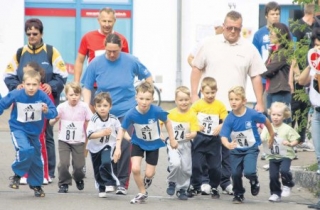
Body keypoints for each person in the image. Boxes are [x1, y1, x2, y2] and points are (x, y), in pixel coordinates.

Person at [190, 10, 267, 195]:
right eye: (230, 27)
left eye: (237, 29)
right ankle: (207, 182)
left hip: (235, 106)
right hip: (209, 106)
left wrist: (260, 102)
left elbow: (256, 75)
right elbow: (196, 68)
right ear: (223, 26)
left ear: (241, 28)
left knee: (230, 147)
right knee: (208, 145)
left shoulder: (248, 48)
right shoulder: (209, 43)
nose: (233, 31)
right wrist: (194, 95)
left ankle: (226, 182)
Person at [81, 33, 152, 193]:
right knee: (107, 145)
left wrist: (146, 98)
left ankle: (122, 182)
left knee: (125, 144)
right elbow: (86, 86)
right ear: (104, 48)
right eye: (108, 51)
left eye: (115, 51)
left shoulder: (131, 60)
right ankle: (108, 179)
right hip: (104, 111)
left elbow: (148, 77)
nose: (112, 54)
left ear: (121, 48)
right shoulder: (95, 63)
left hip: (127, 110)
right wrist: (87, 107)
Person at [3, 18, 68, 181]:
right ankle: (26, 171)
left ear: (41, 34)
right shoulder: (20, 53)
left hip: (44, 98)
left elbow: (62, 75)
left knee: (45, 135)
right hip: (24, 100)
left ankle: (49, 171)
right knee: (25, 135)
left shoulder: (51, 51)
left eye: (35, 33)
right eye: (29, 34)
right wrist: (17, 86)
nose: (32, 36)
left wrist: (50, 86)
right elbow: (8, 75)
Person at [113, 81, 178, 204]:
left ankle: (148, 178)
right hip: (138, 143)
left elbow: (168, 122)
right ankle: (142, 192)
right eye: (141, 98)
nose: (144, 102)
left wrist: (172, 138)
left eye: (147, 99)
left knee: (149, 173)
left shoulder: (157, 110)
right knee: (136, 169)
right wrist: (118, 148)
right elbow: (122, 129)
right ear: (136, 97)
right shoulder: (131, 113)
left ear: (152, 99)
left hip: (153, 144)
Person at [0, 70, 57, 197]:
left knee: (36, 159)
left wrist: (47, 111)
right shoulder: (16, 94)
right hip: (18, 129)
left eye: (34, 84)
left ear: (39, 85)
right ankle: (17, 175)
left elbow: (54, 112)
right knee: (25, 149)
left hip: (34, 133)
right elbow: (2, 104)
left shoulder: (42, 96)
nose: (31, 88)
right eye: (29, 84)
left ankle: (36, 185)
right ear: (23, 84)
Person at [220, 86, 274, 204]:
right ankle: (238, 194)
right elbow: (223, 135)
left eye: (237, 99)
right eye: (231, 99)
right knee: (235, 173)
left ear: (244, 101)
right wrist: (227, 144)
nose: (233, 102)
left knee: (249, 172)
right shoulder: (229, 118)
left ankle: (254, 180)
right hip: (236, 150)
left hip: (251, 148)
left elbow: (266, 121)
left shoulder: (251, 114)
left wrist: (271, 134)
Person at [188, 77, 227, 199]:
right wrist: (196, 125)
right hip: (200, 138)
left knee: (215, 167)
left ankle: (214, 186)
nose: (210, 95)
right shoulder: (197, 104)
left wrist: (221, 125)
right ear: (202, 91)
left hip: (214, 140)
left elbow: (226, 119)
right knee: (196, 164)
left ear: (217, 91)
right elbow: (190, 116)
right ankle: (195, 186)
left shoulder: (220, 105)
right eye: (207, 93)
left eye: (213, 93)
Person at [74, 7, 129, 93]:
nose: (107, 24)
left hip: (115, 86)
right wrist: (76, 83)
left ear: (115, 21)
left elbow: (126, 64)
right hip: (93, 85)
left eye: (109, 21)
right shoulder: (88, 37)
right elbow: (79, 61)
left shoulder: (121, 39)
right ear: (98, 20)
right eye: (104, 21)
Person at [49, 82, 92, 193]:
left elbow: (89, 121)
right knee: (63, 163)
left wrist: (89, 133)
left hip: (79, 140)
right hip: (64, 140)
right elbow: (51, 122)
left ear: (80, 95)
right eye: (71, 95)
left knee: (79, 166)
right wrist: (55, 119)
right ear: (66, 95)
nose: (74, 97)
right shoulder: (61, 107)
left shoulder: (84, 107)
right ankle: (64, 183)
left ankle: (78, 178)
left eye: (76, 95)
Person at [86, 92, 130, 197]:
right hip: (95, 148)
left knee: (105, 162)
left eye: (105, 106)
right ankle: (101, 188)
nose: (102, 108)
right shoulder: (94, 120)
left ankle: (110, 183)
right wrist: (101, 133)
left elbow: (121, 130)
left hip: (108, 145)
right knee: (97, 169)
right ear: (95, 107)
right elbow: (89, 135)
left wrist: (129, 139)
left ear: (110, 106)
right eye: (99, 106)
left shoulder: (114, 119)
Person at [252, 1, 280, 161]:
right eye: (272, 14)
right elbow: (254, 55)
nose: (275, 16)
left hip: (278, 79)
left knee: (276, 112)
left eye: (277, 13)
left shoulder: (284, 32)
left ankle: (278, 145)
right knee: (262, 111)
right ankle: (263, 145)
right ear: (266, 16)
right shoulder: (259, 34)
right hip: (263, 77)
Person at [19, 61, 54, 185]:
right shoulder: (21, 90)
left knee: (40, 147)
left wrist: (46, 110)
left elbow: (51, 108)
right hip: (24, 124)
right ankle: (25, 174)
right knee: (24, 148)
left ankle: (45, 174)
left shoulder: (44, 91)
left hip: (38, 124)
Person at [260, 102, 299, 202]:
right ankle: (275, 193)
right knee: (273, 176)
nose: (276, 117)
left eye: (279, 115)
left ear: (284, 116)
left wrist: (290, 144)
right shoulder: (267, 127)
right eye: (273, 115)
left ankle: (288, 183)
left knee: (284, 171)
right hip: (273, 155)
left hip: (285, 155)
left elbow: (296, 139)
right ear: (270, 114)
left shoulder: (287, 129)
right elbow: (262, 138)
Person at [165, 86, 199, 200]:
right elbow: (160, 123)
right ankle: (172, 182)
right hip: (173, 144)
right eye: (181, 100)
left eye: (186, 100)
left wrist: (192, 134)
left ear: (190, 100)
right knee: (175, 163)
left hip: (186, 144)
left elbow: (195, 130)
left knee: (186, 168)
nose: (184, 102)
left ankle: (182, 189)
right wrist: (161, 136)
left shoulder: (192, 115)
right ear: (176, 101)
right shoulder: (170, 113)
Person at [289, 3, 314, 151]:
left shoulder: (316, 25)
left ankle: (301, 139)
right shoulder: (297, 26)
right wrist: (296, 74)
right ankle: (291, 139)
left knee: (305, 106)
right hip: (299, 71)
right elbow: (293, 52)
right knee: (294, 105)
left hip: (311, 71)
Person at [298, 27, 320, 175]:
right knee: (319, 156)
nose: (317, 48)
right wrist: (311, 63)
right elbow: (301, 80)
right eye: (315, 45)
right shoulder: (315, 63)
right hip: (317, 113)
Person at [261, 22, 293, 121]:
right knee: (272, 124)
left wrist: (264, 70)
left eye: (272, 33)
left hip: (280, 91)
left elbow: (266, 70)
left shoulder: (284, 52)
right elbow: (265, 69)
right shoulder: (274, 50)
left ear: (280, 34)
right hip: (271, 90)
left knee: (281, 123)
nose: (270, 35)